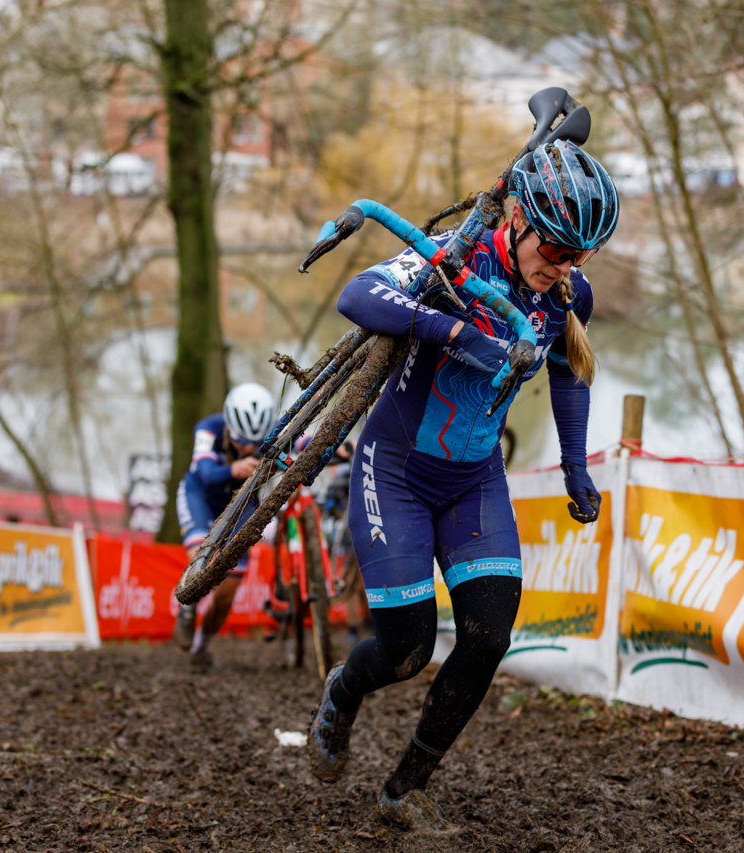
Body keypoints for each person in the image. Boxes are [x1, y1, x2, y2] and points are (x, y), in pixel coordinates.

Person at [307, 139, 618, 831]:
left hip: (474, 479)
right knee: (408, 649)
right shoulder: (456, 256)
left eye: (580, 254)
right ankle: (342, 691)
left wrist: (574, 465)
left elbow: (568, 373)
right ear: (517, 215)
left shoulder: (569, 291)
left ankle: (404, 785)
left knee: (486, 636)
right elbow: (359, 294)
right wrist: (449, 331)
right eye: (558, 248)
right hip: (395, 470)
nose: (565, 266)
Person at [173, 382, 276, 668]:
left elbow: (303, 443)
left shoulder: (271, 430)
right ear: (229, 427)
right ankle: (187, 608)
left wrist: (341, 448)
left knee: (228, 589)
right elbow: (205, 473)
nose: (246, 448)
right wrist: (233, 469)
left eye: (253, 445)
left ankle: (201, 647)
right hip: (200, 496)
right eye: (240, 441)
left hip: (240, 504)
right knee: (200, 564)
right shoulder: (209, 428)